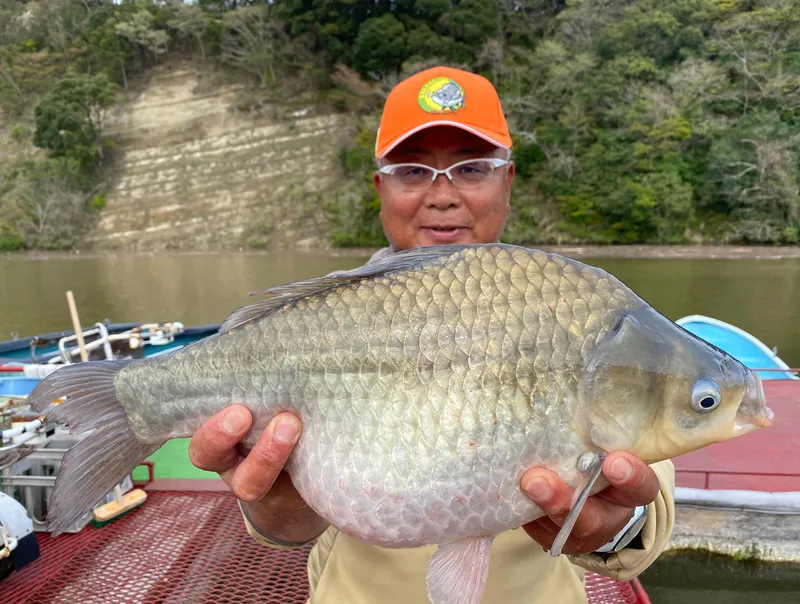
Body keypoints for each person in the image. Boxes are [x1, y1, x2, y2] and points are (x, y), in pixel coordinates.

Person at [188, 66, 676, 603]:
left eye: (471, 169)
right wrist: (279, 500)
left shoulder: (570, 310)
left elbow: (644, 518)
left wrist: (614, 527)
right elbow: (282, 528)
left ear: (507, 181)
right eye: (413, 171)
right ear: (381, 188)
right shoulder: (319, 318)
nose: (442, 195)